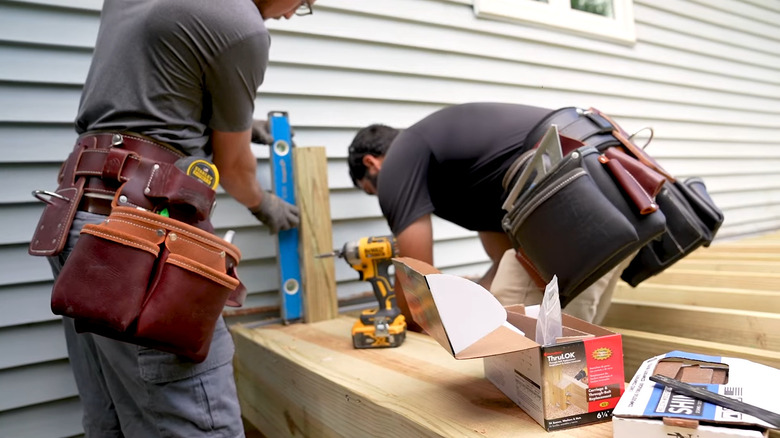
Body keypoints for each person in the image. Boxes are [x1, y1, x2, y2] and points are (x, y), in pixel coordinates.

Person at [43, 0, 314, 436]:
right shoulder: (242, 27)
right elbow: (237, 170)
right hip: (138, 242)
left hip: (75, 214)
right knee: (199, 424)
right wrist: (265, 206)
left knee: (112, 420)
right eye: (304, 3)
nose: (291, 13)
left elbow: (158, 96)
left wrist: (239, 122)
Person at [346, 102, 627, 327]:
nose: (384, 198)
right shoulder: (472, 172)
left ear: (373, 163)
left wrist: (409, 321)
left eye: (373, 190)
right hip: (620, 194)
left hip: (579, 201)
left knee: (511, 342)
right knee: (570, 355)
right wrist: (475, 297)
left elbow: (415, 280)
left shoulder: (398, 159)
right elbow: (504, 259)